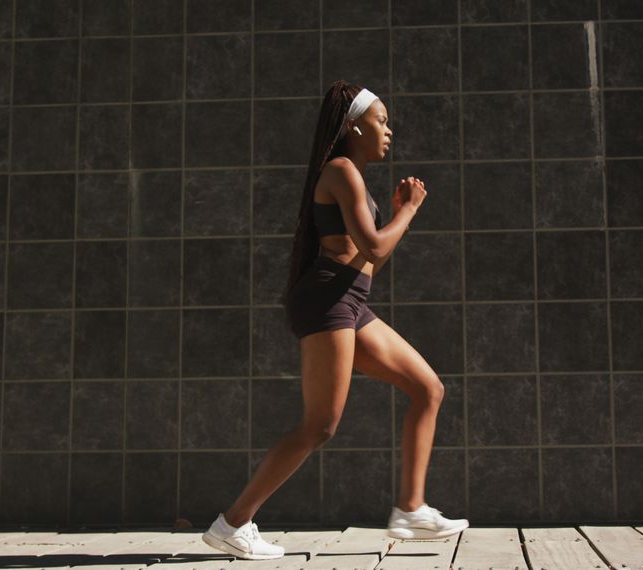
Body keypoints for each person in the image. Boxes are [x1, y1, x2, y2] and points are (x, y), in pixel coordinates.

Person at [200, 80, 469, 561]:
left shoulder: (355, 180)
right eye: (381, 120)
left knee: (428, 388)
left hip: (350, 301)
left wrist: (393, 217)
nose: (389, 130)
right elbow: (376, 247)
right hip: (328, 302)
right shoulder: (342, 170)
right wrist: (407, 210)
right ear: (353, 126)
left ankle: (410, 508)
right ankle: (232, 523)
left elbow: (370, 261)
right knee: (319, 426)